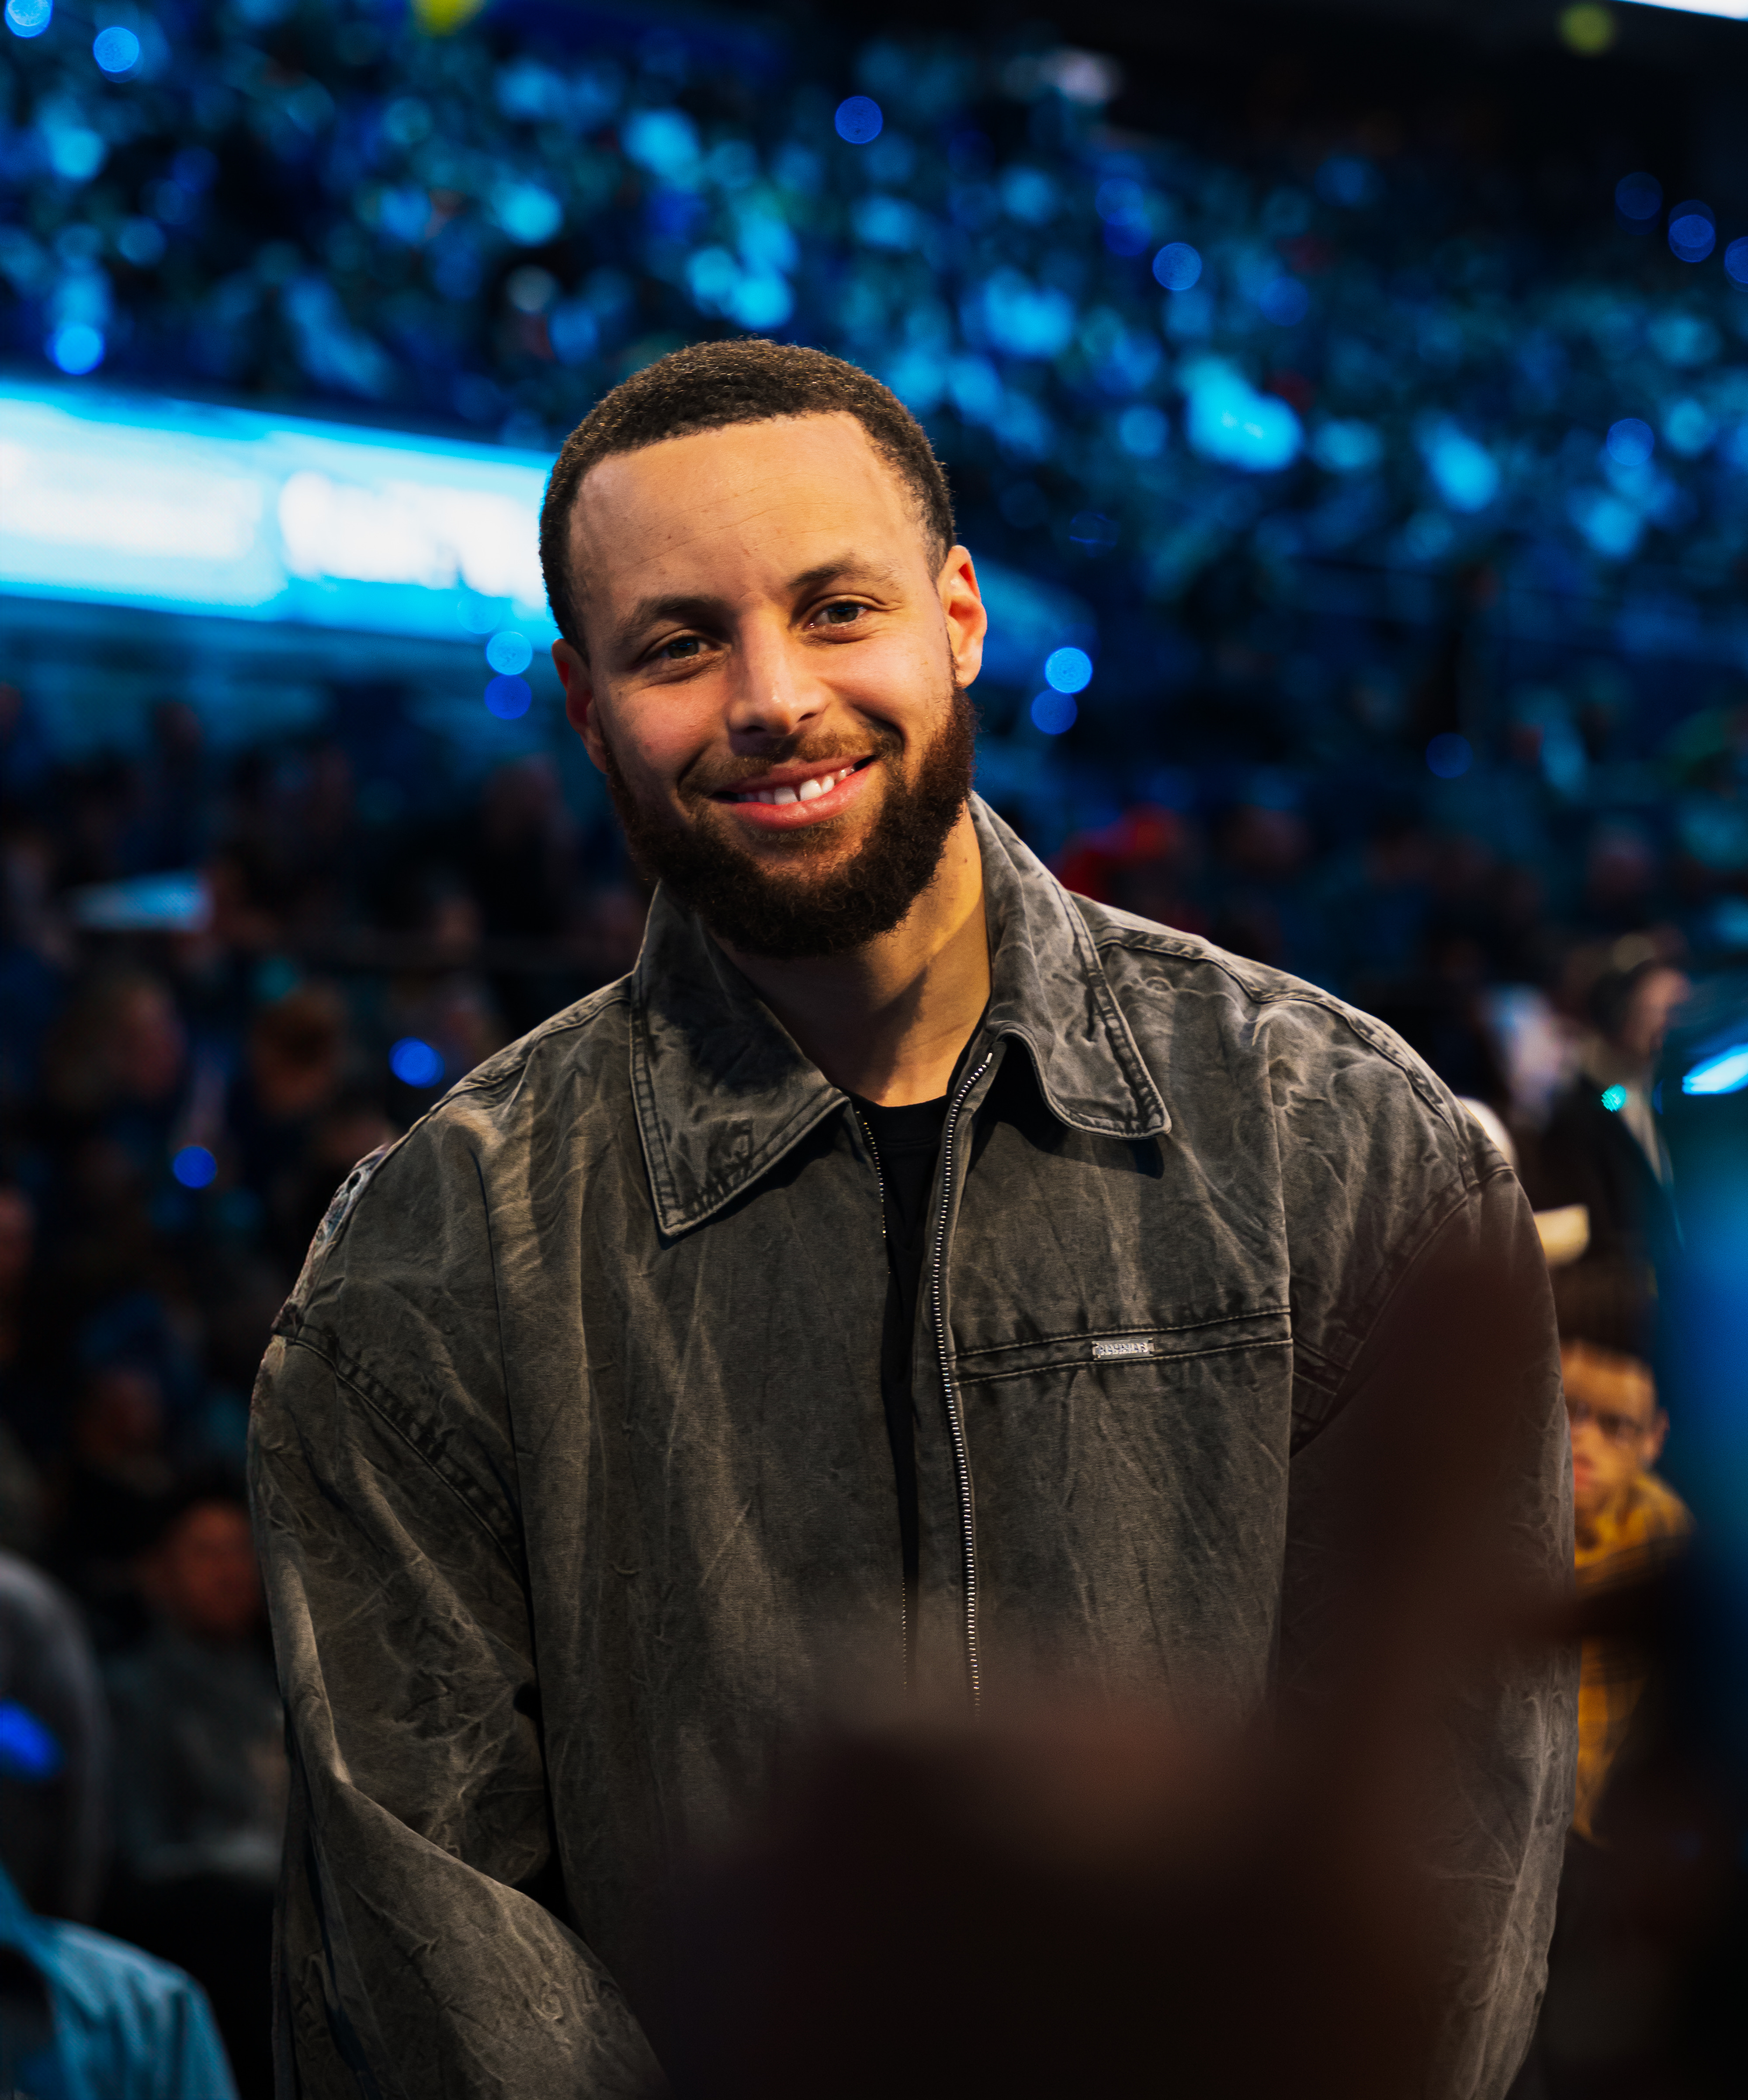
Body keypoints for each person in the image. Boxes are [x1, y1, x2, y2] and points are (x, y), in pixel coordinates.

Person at [250, 340, 1573, 2098]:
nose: (771, 695)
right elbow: (435, 1962)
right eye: (677, 642)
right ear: (583, 704)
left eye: (833, 606)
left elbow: (1445, 1844)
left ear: (956, 615)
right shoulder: (426, 1267)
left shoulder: (1344, 1140)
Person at [104, 1484, 281, 2099]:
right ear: (157, 1573)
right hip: (203, 1949)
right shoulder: (131, 1693)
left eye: (240, 1549)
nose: (229, 1568)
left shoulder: (283, 1690)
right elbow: (139, 1858)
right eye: (205, 1551)